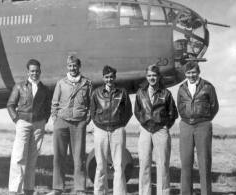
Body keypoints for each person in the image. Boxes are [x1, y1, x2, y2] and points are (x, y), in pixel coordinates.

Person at [47, 55, 92, 195]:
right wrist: (55, 118)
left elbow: (90, 105)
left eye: (75, 65)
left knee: (78, 157)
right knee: (59, 156)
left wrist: (86, 120)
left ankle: (79, 188)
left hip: (79, 123)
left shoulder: (87, 83)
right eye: (70, 66)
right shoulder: (61, 83)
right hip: (61, 122)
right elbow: (54, 103)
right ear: (67, 67)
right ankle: (58, 188)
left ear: (79, 66)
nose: (72, 68)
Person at [7, 59, 51, 195]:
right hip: (23, 123)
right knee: (19, 156)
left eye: (37, 71)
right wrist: (17, 120)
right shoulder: (19, 86)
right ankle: (15, 190)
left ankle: (28, 190)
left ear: (40, 71)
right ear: (28, 72)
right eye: (32, 71)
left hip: (38, 125)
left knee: (32, 158)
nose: (35, 73)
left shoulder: (44, 89)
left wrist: (44, 121)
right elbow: (10, 105)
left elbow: (48, 108)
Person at [134, 64, 178, 195]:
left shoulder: (166, 93)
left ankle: (163, 192)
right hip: (145, 130)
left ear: (159, 76)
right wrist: (144, 122)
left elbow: (173, 113)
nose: (152, 78)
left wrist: (164, 126)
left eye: (154, 75)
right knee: (144, 164)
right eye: (149, 75)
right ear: (146, 77)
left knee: (163, 164)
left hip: (161, 130)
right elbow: (137, 111)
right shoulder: (140, 92)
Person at [177, 61, 219, 195]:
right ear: (185, 74)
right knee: (186, 162)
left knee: (204, 162)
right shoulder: (181, 88)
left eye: (193, 72)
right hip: (185, 126)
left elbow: (214, 106)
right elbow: (179, 106)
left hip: (203, 125)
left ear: (198, 72)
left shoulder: (208, 86)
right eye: (188, 73)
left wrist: (204, 119)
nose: (191, 75)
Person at [90, 65, 132, 195]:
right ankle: (100, 192)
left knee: (119, 165)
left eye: (111, 77)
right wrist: (99, 125)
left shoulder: (122, 92)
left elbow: (128, 112)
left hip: (118, 130)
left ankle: (119, 193)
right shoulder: (96, 93)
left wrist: (119, 124)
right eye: (107, 77)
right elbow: (92, 112)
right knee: (100, 165)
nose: (109, 79)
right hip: (101, 131)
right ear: (103, 78)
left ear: (115, 77)